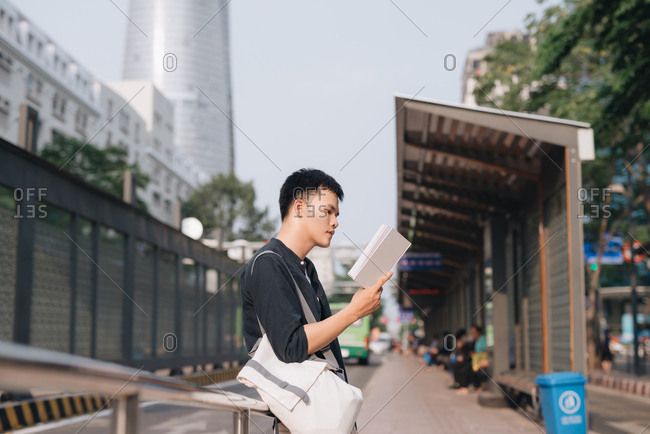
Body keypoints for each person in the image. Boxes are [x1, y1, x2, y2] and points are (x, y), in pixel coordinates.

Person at [240, 168, 391, 433]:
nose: (335, 222)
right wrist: (353, 312)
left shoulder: (306, 268)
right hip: (301, 414)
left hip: (318, 410)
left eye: (336, 214)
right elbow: (291, 345)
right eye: (328, 211)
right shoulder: (268, 264)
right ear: (299, 208)